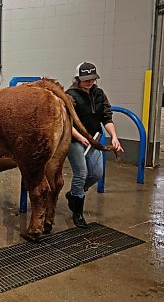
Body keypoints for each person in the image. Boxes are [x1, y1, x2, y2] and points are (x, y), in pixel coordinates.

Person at [65, 62, 124, 228]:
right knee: (81, 172)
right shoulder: (70, 95)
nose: (89, 82)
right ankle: (78, 212)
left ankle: (73, 194)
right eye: (85, 79)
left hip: (95, 138)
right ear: (78, 79)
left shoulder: (99, 94)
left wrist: (114, 137)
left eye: (92, 78)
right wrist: (80, 136)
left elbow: (106, 117)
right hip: (75, 139)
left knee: (96, 173)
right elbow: (67, 122)